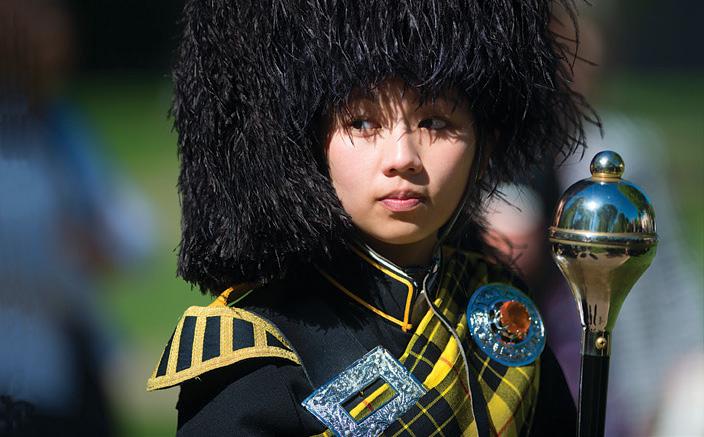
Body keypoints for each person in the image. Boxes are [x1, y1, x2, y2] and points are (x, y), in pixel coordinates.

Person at [146, 1, 594, 435]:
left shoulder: (503, 312)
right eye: (362, 123)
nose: (403, 158)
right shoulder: (258, 350)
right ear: (308, 142)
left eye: (435, 122)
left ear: (485, 145)